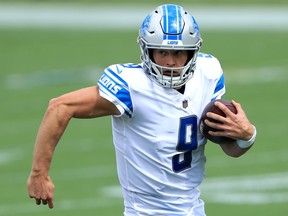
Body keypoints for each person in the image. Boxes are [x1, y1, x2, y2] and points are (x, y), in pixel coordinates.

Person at [27, 4, 257, 216]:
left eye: (178, 53)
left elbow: (230, 148)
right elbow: (60, 106)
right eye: (162, 52)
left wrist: (247, 135)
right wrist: (39, 173)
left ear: (192, 53)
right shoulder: (132, 85)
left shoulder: (208, 73)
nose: (169, 62)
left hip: (193, 209)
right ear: (148, 51)